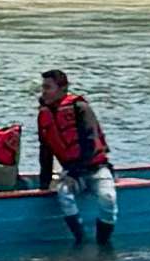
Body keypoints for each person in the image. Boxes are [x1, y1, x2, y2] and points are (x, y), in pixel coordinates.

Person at [35, 67, 115, 247]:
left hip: (95, 168)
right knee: (64, 195)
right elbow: (45, 152)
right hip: (71, 170)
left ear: (62, 89)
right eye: (43, 87)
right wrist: (43, 185)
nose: (44, 92)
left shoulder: (80, 108)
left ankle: (103, 243)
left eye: (48, 87)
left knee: (108, 197)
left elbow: (89, 141)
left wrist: (75, 173)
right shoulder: (43, 114)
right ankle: (81, 240)